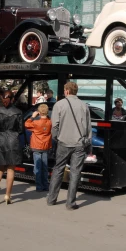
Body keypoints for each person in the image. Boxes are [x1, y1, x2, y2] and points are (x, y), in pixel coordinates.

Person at [47, 82, 92, 210]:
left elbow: (54, 126)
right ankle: (70, 203)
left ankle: (51, 199)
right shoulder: (84, 106)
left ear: (66, 91)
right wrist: (89, 145)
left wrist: (57, 138)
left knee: (58, 169)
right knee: (75, 172)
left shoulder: (59, 105)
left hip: (63, 142)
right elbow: (89, 127)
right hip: (79, 144)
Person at [25, 103, 52, 192]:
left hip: (36, 146)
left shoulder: (36, 123)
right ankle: (45, 185)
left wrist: (33, 116)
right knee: (45, 166)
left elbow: (26, 124)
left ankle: (39, 186)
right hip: (45, 146)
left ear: (39, 112)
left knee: (37, 167)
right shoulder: (49, 122)